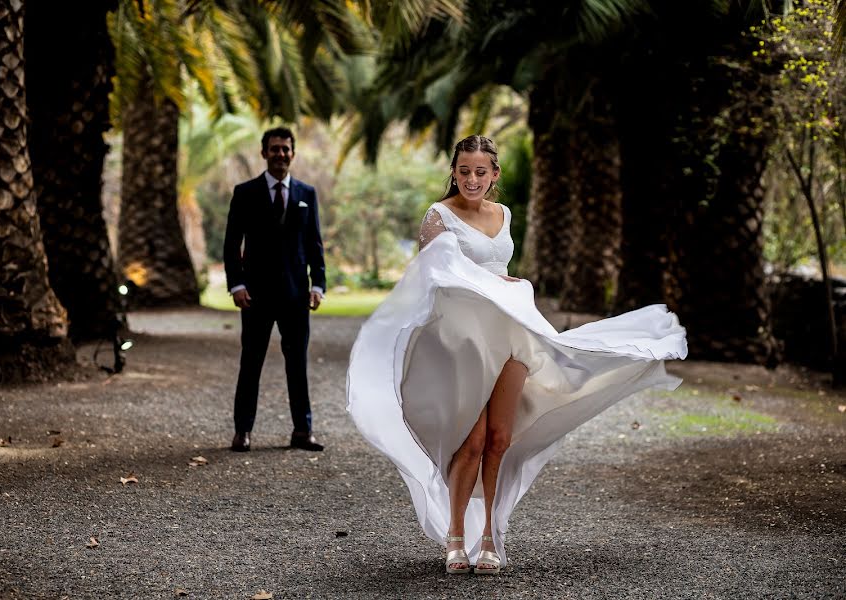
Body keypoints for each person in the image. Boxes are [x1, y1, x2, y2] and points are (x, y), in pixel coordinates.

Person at [346, 135, 687, 574]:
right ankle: (455, 538)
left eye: (480, 172)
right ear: (454, 171)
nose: (472, 179)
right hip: (461, 338)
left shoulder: (504, 214)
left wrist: (510, 285)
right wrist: (491, 283)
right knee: (469, 441)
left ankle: (489, 534)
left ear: (495, 175)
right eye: (464, 171)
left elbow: (501, 267)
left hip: (510, 330)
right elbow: (429, 277)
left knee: (500, 438)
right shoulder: (439, 215)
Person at [224, 127, 326, 452]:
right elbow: (231, 243)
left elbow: (314, 243)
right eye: (274, 149)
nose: (280, 154)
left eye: (285, 149)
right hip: (255, 296)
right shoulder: (245, 193)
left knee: (297, 365)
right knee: (250, 363)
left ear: (292, 153)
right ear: (263, 152)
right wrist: (236, 284)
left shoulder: (306, 194)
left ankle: (302, 431)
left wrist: (318, 284)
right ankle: (243, 432)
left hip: (296, 295)